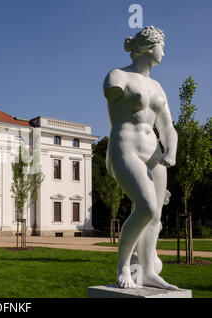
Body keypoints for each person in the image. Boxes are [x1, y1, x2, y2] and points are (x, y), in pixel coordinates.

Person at [103, 26, 179, 290]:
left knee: (155, 215)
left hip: (155, 153)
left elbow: (167, 127)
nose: (164, 53)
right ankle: (124, 265)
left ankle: (147, 271)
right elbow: (111, 92)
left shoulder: (158, 87)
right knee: (145, 207)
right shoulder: (118, 76)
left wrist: (171, 150)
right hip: (126, 147)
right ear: (149, 47)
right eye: (162, 47)